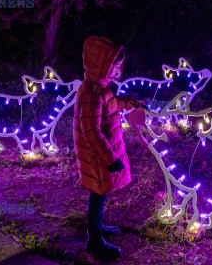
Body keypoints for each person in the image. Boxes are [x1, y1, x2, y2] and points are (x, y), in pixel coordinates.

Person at [73, 35, 144, 262]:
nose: (118, 71)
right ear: (102, 64)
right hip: (96, 155)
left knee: (101, 193)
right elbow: (91, 131)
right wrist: (110, 158)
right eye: (115, 66)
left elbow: (109, 106)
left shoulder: (100, 88)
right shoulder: (92, 93)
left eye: (119, 66)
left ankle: (98, 226)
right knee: (98, 192)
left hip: (99, 154)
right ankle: (94, 241)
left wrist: (128, 103)